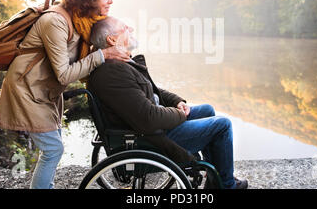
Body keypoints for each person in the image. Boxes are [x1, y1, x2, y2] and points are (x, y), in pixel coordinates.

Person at [0, 0, 131, 189]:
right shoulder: (56, 21)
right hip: (27, 91)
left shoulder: (83, 21)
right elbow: (64, 74)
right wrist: (103, 55)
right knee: (52, 150)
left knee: (52, 148)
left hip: (44, 92)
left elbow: (97, 46)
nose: (111, 1)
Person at [87, 16, 248, 189]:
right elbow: (148, 118)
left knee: (207, 110)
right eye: (125, 27)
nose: (131, 29)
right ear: (112, 39)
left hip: (153, 127)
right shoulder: (112, 73)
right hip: (152, 138)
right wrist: (179, 114)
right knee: (222, 126)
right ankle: (227, 185)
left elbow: (152, 90)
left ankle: (216, 180)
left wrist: (177, 101)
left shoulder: (119, 63)